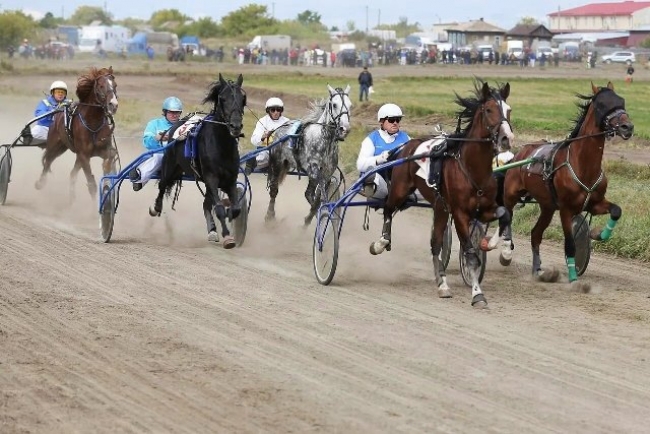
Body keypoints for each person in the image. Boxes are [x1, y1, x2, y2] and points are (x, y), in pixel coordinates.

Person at [356, 103, 410, 199]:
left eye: (398, 120)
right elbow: (360, 165)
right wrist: (379, 159)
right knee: (371, 174)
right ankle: (385, 192)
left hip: (399, 180)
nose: (395, 123)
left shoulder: (406, 138)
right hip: (378, 179)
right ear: (381, 121)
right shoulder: (371, 139)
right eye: (391, 120)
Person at [129, 96, 183, 191]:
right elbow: (147, 143)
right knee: (159, 157)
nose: (174, 115)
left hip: (180, 161)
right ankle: (139, 176)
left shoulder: (184, 125)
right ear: (165, 112)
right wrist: (156, 138)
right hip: (161, 158)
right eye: (171, 112)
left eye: (177, 112)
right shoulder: (154, 124)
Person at [245, 97, 290, 175]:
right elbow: (254, 140)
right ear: (268, 111)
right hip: (266, 151)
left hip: (283, 152)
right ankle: (252, 163)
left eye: (278, 110)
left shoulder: (287, 122)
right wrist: (263, 136)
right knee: (265, 156)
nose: (276, 112)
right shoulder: (262, 121)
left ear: (281, 111)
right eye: (273, 110)